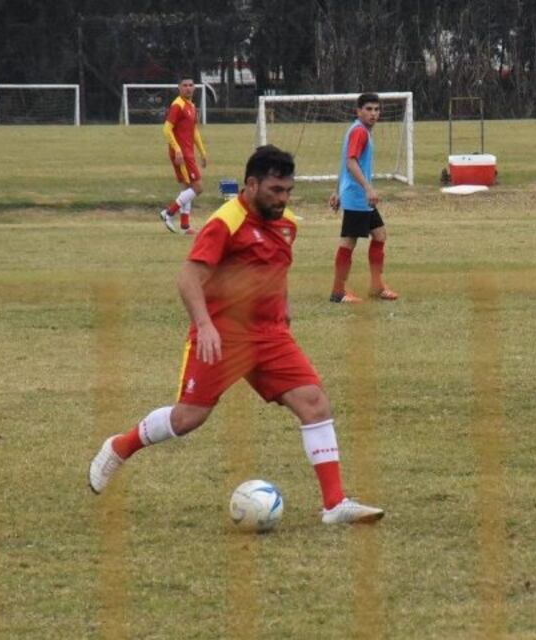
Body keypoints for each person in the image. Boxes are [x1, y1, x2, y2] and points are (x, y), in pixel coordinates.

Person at [90, 145, 385, 525]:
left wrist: (283, 305)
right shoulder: (225, 223)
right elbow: (188, 278)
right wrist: (205, 325)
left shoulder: (287, 224)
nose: (283, 199)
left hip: (270, 335)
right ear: (251, 185)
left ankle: (334, 504)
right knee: (187, 418)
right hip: (223, 334)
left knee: (314, 403)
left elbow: (274, 267)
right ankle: (119, 447)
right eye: (275, 190)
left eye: (288, 191)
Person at [328, 93, 399, 303]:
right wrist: (368, 188)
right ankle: (338, 292)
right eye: (368, 109)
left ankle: (377, 286)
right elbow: (350, 163)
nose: (373, 113)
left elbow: (345, 162)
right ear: (358, 111)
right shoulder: (359, 131)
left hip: (358, 196)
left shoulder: (358, 129)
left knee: (379, 234)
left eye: (376, 109)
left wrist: (336, 190)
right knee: (348, 242)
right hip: (357, 197)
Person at [158, 76, 207, 235]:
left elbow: (194, 131)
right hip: (182, 154)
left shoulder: (191, 106)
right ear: (179, 87)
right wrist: (177, 150)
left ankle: (185, 226)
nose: (188, 88)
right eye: (184, 85)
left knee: (187, 187)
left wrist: (202, 152)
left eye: (190, 85)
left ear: (194, 88)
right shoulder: (177, 105)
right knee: (198, 187)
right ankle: (169, 212)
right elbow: (166, 129)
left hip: (188, 152)